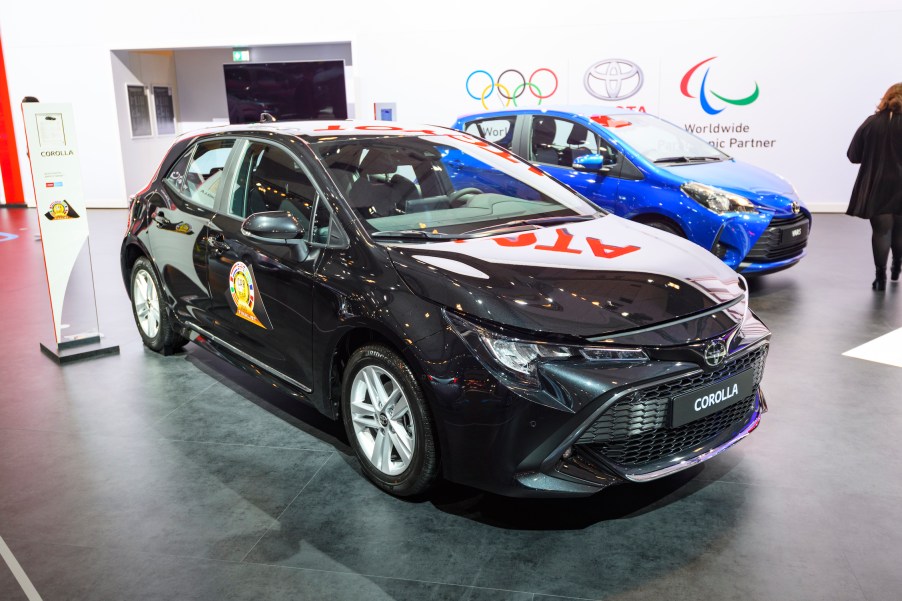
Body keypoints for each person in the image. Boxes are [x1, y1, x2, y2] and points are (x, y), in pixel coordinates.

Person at [847, 83, 902, 291]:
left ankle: (880, 278)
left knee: (882, 232)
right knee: (900, 230)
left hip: (877, 185)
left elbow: (853, 156)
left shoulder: (871, 123)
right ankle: (897, 266)